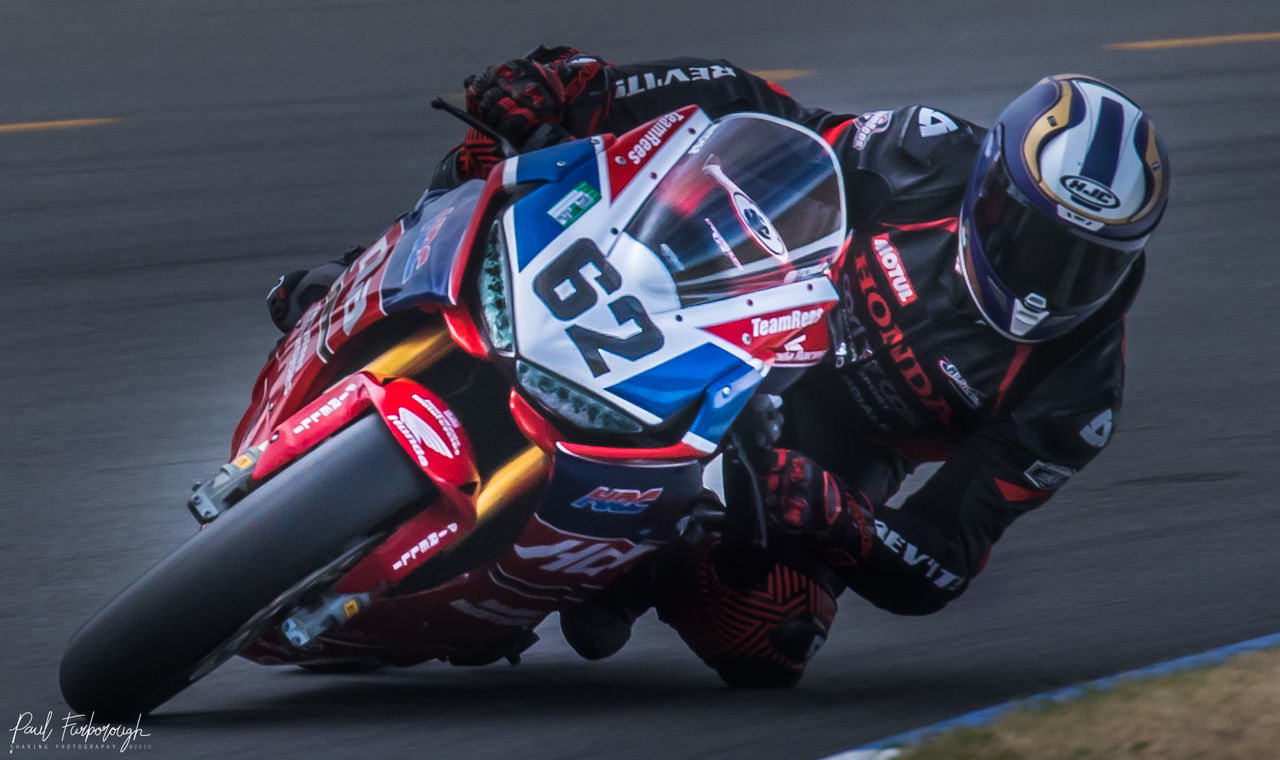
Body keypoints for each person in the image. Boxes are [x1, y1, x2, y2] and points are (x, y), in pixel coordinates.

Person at [271, 46, 1170, 687]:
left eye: (1091, 260)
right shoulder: (926, 152)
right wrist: (591, 89)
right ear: (990, 187)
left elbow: (943, 559)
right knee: (525, 128)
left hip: (822, 447)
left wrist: (841, 519)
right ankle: (371, 266)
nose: (1056, 280)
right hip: (737, 294)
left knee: (767, 641)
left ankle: (626, 573)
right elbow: (764, 112)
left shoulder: (1077, 391)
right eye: (1038, 237)